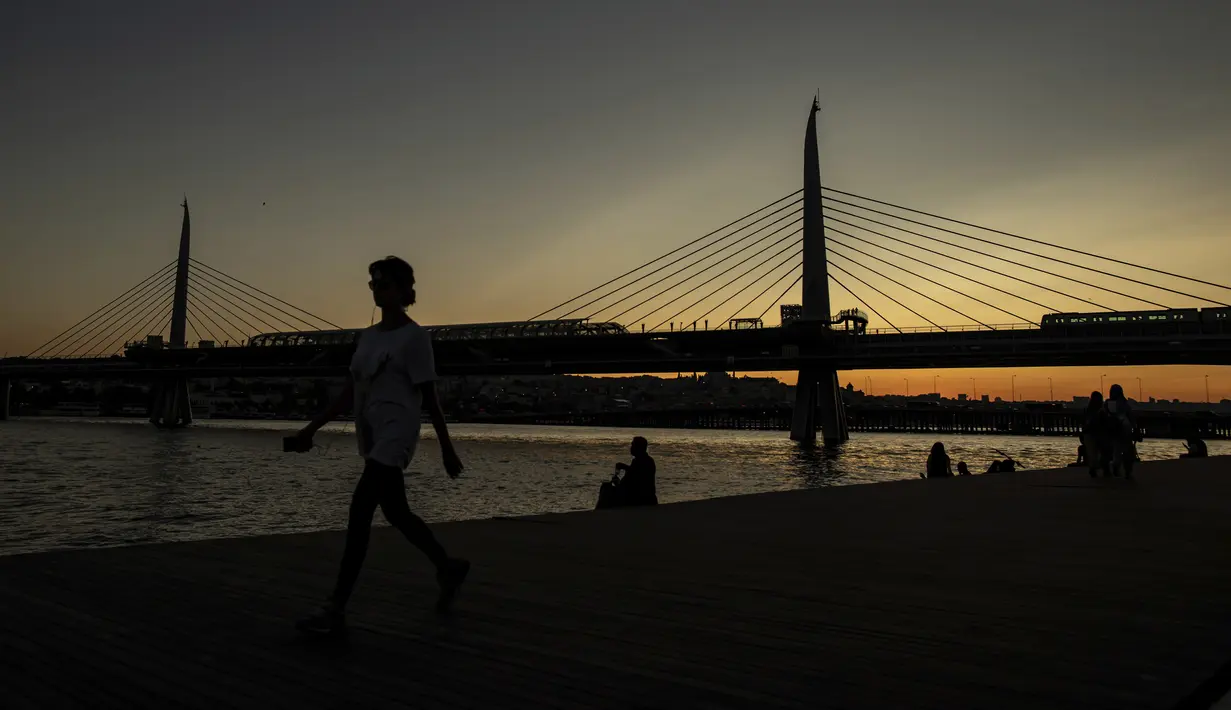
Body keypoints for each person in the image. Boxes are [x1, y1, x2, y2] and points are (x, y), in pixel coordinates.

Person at [293, 256, 470, 635]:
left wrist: (447, 448)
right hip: (371, 432)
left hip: (397, 432)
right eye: (373, 284)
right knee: (396, 513)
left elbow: (430, 397)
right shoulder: (369, 338)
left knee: (360, 512)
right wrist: (311, 430)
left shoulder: (415, 338)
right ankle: (448, 566)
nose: (377, 289)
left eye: (385, 283)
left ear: (406, 290)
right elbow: (349, 393)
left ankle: (335, 609)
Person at [613, 436, 658, 506]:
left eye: (633, 445)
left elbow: (635, 478)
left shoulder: (642, 462)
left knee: (606, 490)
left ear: (639, 448)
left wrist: (617, 482)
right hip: (644, 497)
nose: (631, 447)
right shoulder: (644, 460)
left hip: (639, 499)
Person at [1103, 384, 1136, 480]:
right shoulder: (1124, 403)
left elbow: (1106, 416)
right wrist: (1135, 428)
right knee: (1127, 451)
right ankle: (1127, 471)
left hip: (1114, 431)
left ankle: (1116, 466)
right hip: (1125, 430)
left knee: (1116, 450)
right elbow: (1131, 416)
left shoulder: (1108, 403)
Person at [1082, 391, 1111, 478]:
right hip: (1099, 434)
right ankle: (1104, 469)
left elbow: (1085, 423)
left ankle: (1093, 468)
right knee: (1102, 452)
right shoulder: (1102, 411)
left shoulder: (1087, 410)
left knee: (1093, 453)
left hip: (1090, 434)